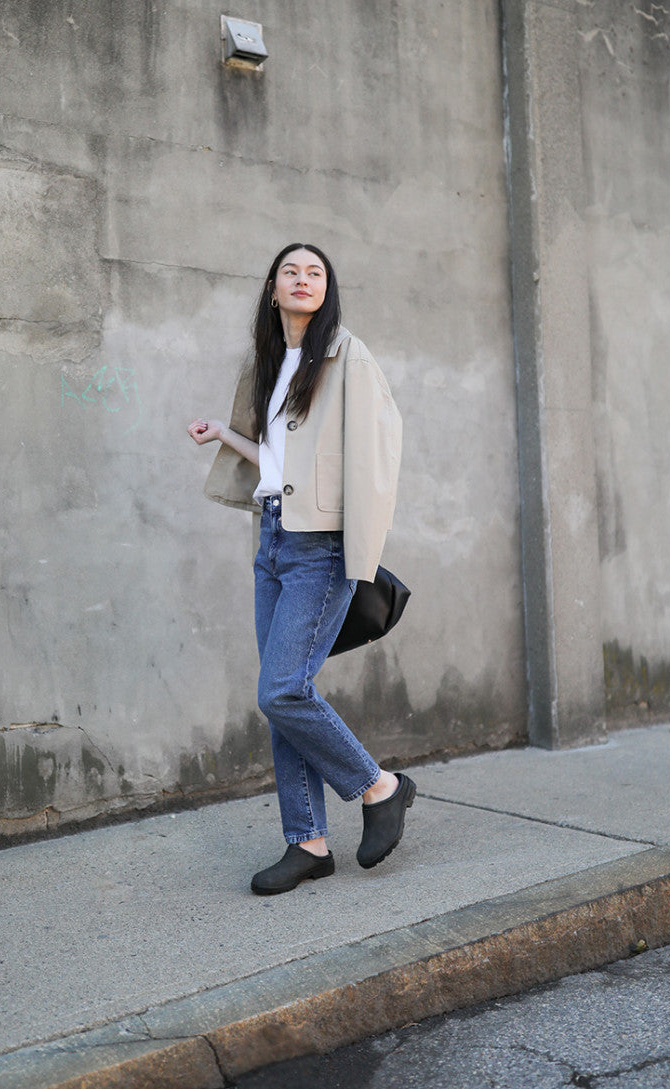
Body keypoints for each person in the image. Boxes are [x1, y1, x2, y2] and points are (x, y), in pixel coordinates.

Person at [188, 243, 415, 895]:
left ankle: (379, 786)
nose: (302, 279)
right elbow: (279, 458)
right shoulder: (269, 361)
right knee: (284, 696)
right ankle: (308, 841)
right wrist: (223, 433)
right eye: (291, 270)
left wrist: (359, 549)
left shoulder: (347, 356)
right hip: (272, 538)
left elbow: (375, 453)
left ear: (327, 289)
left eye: (315, 271)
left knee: (282, 690)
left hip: (320, 543)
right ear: (273, 289)